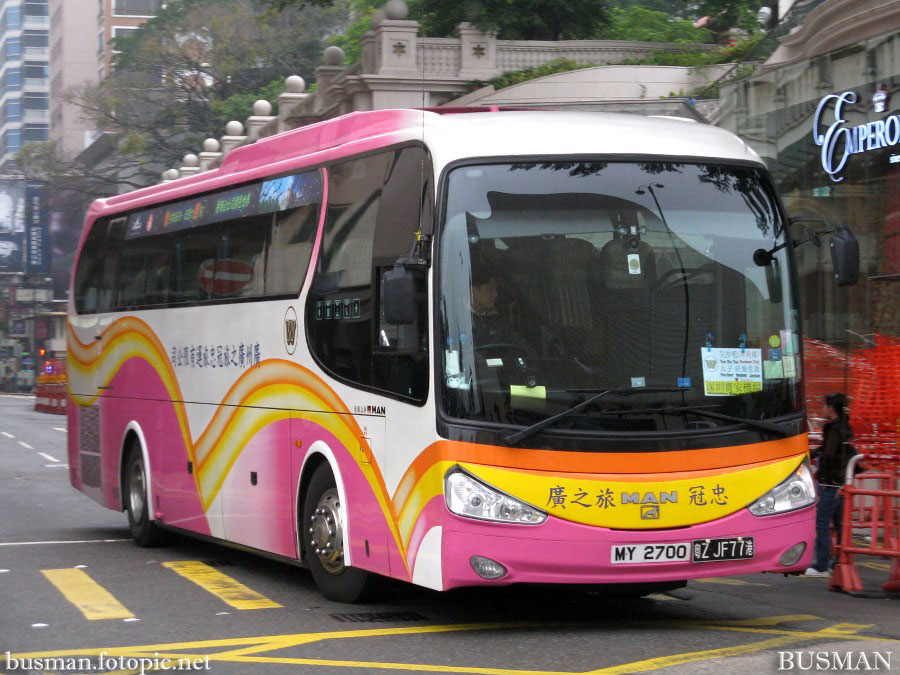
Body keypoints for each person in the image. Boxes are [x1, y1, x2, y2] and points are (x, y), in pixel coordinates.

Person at [805, 392, 854, 577]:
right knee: (840, 525)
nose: (823, 409)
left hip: (831, 483)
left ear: (831, 408)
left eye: (825, 405)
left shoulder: (834, 429)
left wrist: (821, 473)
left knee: (822, 523)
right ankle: (839, 562)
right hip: (842, 482)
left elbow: (828, 454)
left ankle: (821, 565)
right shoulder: (845, 426)